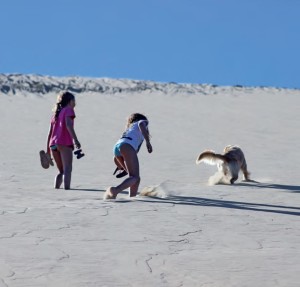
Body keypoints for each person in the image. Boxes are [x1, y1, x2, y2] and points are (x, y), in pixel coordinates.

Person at [104, 113, 153, 199]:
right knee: (134, 177)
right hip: (126, 146)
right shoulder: (142, 122)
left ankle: (132, 197)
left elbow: (133, 150)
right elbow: (142, 124)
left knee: (136, 178)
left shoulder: (131, 129)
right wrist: (148, 142)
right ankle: (115, 190)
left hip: (117, 147)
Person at [46, 91, 81, 190]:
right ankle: (67, 191)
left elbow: (50, 134)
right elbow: (68, 125)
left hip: (53, 144)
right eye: (74, 101)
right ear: (70, 101)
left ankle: (56, 190)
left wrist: (48, 150)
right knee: (67, 169)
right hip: (64, 142)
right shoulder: (68, 110)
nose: (75, 103)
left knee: (61, 171)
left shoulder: (55, 115)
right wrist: (76, 140)